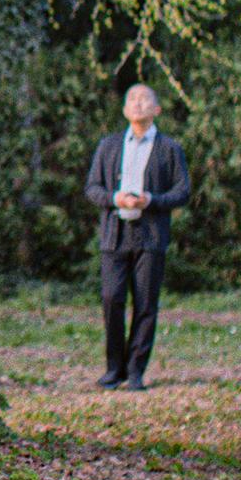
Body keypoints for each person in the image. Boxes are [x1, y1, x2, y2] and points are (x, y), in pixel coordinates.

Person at [82, 83, 191, 391]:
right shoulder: (109, 146)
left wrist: (151, 200)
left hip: (151, 235)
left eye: (145, 99)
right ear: (125, 109)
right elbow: (92, 188)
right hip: (114, 234)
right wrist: (117, 199)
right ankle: (113, 368)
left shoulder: (170, 149)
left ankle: (136, 370)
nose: (138, 104)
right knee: (111, 299)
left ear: (156, 109)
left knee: (145, 304)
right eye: (132, 99)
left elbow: (182, 192)